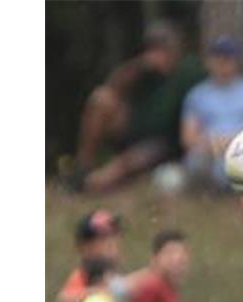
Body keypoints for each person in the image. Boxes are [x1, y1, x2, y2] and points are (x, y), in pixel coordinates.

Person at [69, 20, 206, 193]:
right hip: (134, 127)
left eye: (163, 49)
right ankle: (84, 167)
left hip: (165, 141)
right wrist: (140, 66)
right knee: (101, 99)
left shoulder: (189, 71)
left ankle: (91, 184)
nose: (158, 55)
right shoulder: (142, 70)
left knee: (126, 163)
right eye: (153, 48)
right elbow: (113, 85)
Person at [181, 35, 243, 192]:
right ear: (209, 61)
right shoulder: (197, 94)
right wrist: (210, 144)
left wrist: (234, 142)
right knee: (197, 163)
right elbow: (188, 138)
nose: (222, 63)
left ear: (236, 60)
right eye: (218, 58)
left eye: (227, 58)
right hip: (209, 151)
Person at [56, 209, 126, 302]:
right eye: (103, 238)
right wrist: (103, 291)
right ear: (85, 247)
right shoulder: (83, 275)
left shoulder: (114, 274)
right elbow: (66, 299)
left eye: (114, 236)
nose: (112, 243)